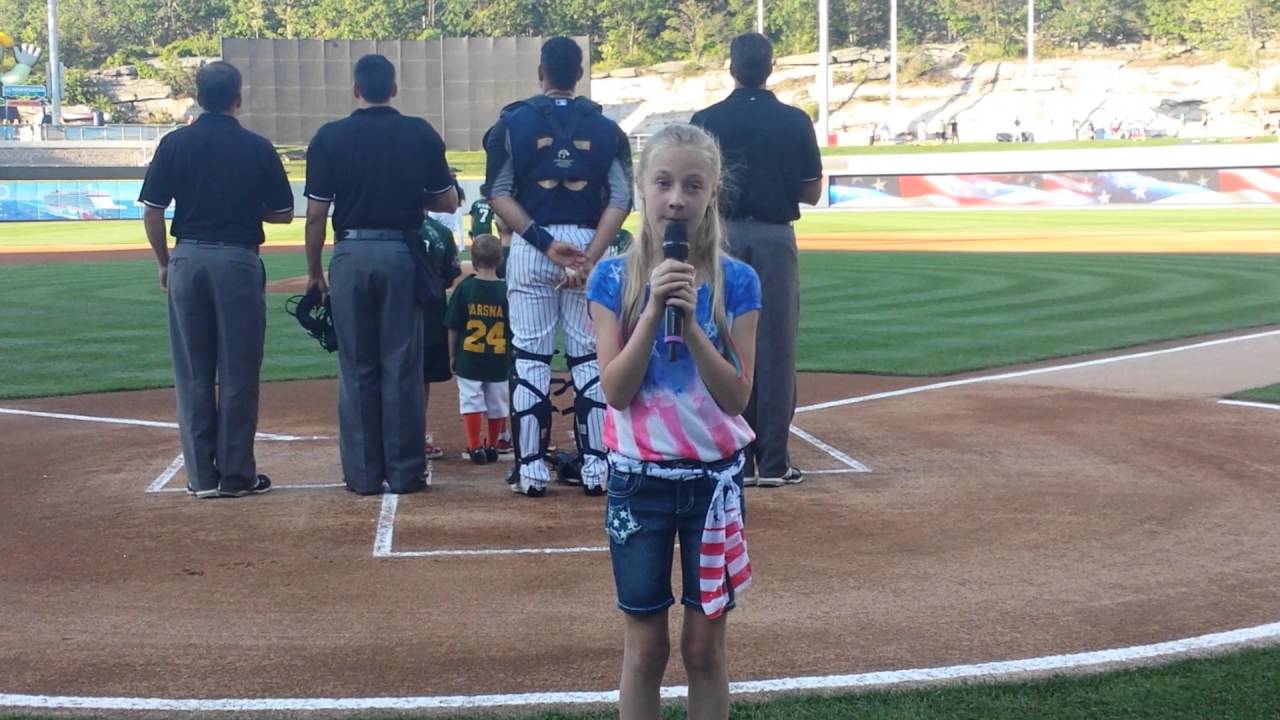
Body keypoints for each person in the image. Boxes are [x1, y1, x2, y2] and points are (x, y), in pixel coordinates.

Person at [587, 123, 760, 720]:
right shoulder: (611, 279)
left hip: (715, 488)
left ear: (713, 192)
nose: (677, 199)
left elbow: (737, 397)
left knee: (705, 647)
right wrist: (654, 307)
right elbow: (615, 388)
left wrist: (691, 325)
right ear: (642, 188)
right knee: (646, 648)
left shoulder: (737, 282)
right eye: (663, 183)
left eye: (693, 184)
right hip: (641, 484)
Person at [483, 36, 633, 497]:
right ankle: (596, 468)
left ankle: (530, 470)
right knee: (590, 358)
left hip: (534, 246)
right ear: (580, 72)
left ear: (541, 71)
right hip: (591, 242)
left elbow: (499, 193)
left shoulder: (513, 123)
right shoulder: (607, 128)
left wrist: (546, 244)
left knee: (530, 359)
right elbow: (622, 199)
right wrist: (591, 254)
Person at [303, 53, 459, 496]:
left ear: (356, 89)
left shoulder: (329, 138)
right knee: (402, 367)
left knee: (357, 368)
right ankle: (407, 472)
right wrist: (409, 197)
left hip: (350, 253)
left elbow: (316, 215)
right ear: (393, 89)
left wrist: (314, 271)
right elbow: (447, 203)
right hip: (400, 252)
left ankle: (363, 475)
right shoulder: (419, 133)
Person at [139, 61, 294, 499]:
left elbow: (152, 210)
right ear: (238, 98)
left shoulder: (174, 143)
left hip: (188, 257)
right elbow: (283, 213)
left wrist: (164, 262)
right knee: (239, 372)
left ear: (198, 95)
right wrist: (248, 209)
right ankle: (236, 476)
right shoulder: (258, 147)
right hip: (238, 261)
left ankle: (201, 478)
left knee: (193, 372)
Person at [691, 32, 821, 488]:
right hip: (773, 237)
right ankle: (773, 462)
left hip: (717, 238)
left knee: (718, 339)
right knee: (774, 346)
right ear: (770, 68)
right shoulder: (794, 121)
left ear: (732, 67)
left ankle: (729, 451)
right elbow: (811, 191)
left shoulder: (705, 120)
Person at [446, 234, 511, 464]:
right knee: (497, 403)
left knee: (471, 400)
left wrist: (452, 354)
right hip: (498, 358)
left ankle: (475, 447)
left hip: (469, 357)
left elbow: (453, 325)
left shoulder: (465, 288)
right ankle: (492, 445)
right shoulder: (507, 291)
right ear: (500, 259)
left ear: (473, 261)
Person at [421, 211, 463, 464]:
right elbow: (451, 275)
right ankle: (416, 436)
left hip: (392, 308)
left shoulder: (393, 227)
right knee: (422, 376)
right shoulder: (440, 231)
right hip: (431, 309)